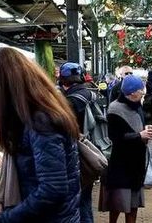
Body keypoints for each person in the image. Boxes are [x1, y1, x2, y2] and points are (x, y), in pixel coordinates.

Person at [0, 48, 80, 223]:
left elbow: (52, 189)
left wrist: (3, 219)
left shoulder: (40, 120)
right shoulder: (36, 114)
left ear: (2, 89)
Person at [99, 75, 152, 223]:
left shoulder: (138, 105)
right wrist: (139, 135)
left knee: (133, 204)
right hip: (121, 163)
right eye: (140, 90)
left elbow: (138, 126)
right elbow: (115, 137)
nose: (143, 93)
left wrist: (146, 129)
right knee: (117, 203)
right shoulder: (115, 109)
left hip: (137, 163)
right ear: (131, 93)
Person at [58, 62, 96, 223]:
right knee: (85, 200)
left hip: (78, 154)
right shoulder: (89, 94)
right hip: (90, 151)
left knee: (79, 202)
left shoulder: (72, 101)